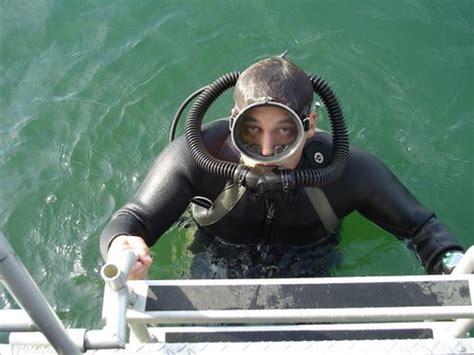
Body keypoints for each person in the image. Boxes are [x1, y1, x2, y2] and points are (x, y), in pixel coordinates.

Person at [100, 57, 465, 280]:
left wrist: (455, 263)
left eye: (285, 133)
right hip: (216, 259)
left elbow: (421, 228)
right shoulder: (197, 156)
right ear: (232, 122)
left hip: (311, 264)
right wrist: (121, 247)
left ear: (309, 125)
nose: (266, 151)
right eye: (252, 131)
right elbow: (133, 218)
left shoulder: (346, 169)